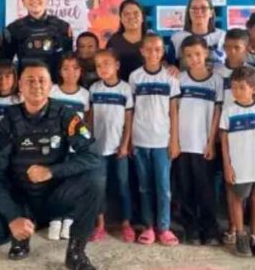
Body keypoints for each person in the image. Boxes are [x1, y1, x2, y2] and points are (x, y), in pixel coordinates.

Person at [0, 61, 103, 270]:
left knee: (95, 178)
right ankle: (21, 233)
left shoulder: (65, 115)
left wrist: (52, 171)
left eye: (42, 80)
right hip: (21, 197)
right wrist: (13, 217)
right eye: (30, 81)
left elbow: (92, 155)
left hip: (54, 196)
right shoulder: (9, 120)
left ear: (51, 85)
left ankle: (76, 252)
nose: (36, 85)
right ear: (21, 86)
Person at [129, 33, 180, 246]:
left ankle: (164, 228)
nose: (153, 53)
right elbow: (130, 111)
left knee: (164, 187)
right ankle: (148, 226)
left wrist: (174, 140)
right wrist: (130, 140)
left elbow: (174, 112)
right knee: (144, 186)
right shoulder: (135, 77)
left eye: (158, 49)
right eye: (148, 49)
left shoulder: (170, 78)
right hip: (140, 139)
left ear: (163, 52)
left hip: (162, 141)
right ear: (142, 51)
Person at [219, 66, 255, 258]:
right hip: (238, 165)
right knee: (237, 199)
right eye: (234, 87)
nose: (237, 91)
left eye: (242, 87)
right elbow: (224, 142)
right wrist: (227, 165)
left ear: (253, 88)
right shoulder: (228, 111)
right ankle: (241, 234)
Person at [175, 36, 223, 246]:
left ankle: (210, 228)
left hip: (204, 145)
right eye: (188, 55)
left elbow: (217, 113)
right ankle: (191, 228)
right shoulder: (179, 80)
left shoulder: (217, 81)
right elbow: (174, 112)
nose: (193, 59)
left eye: (197, 54)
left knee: (206, 189)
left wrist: (212, 143)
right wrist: (174, 141)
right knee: (185, 188)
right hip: (182, 145)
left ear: (206, 53)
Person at [88, 49, 134, 243]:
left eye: (107, 63)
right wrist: (88, 143)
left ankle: (126, 223)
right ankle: (100, 224)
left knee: (123, 185)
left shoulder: (125, 89)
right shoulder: (94, 89)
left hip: (118, 148)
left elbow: (129, 120)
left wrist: (125, 144)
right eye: (98, 65)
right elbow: (89, 119)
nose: (102, 68)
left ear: (117, 66)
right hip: (98, 148)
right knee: (100, 187)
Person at [47, 53, 91, 240]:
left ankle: (69, 220)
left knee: (73, 184)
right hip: (56, 146)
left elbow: (87, 122)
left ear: (81, 71)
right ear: (60, 71)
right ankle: (55, 219)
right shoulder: (52, 91)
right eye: (66, 68)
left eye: (75, 68)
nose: (70, 72)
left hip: (76, 149)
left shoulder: (85, 94)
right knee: (56, 183)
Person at [0, 0, 73, 78]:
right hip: (25, 87)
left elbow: (69, 63)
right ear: (23, 1)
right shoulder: (13, 30)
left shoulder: (62, 27)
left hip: (55, 87)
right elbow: (4, 66)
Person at [169, 0, 225, 68]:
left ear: (211, 13)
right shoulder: (177, 38)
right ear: (189, 13)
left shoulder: (222, 36)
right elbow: (171, 67)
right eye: (194, 8)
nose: (199, 12)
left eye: (203, 8)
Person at [106, 0, 146, 82]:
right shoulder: (114, 41)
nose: (131, 17)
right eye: (126, 14)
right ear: (120, 18)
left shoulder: (151, 39)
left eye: (136, 13)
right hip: (121, 90)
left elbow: (164, 63)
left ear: (142, 17)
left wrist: (171, 67)